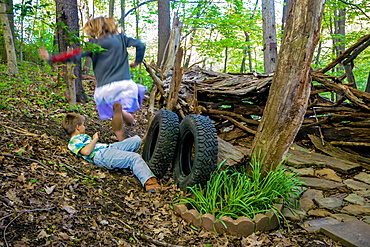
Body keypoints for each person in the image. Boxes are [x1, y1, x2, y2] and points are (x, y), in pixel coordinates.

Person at [39, 16, 146, 142]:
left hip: (104, 90)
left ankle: (121, 141)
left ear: (93, 30)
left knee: (114, 117)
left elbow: (74, 55)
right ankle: (122, 112)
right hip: (124, 84)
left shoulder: (93, 45)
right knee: (130, 120)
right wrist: (137, 61)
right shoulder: (121, 38)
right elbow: (140, 45)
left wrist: (51, 58)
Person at [62, 112, 161, 192]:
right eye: (83, 125)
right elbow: (86, 152)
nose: (85, 127)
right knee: (134, 157)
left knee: (136, 140)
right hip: (101, 155)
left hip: (109, 148)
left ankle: (134, 166)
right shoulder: (73, 141)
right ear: (78, 127)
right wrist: (95, 139)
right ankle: (151, 185)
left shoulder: (81, 137)